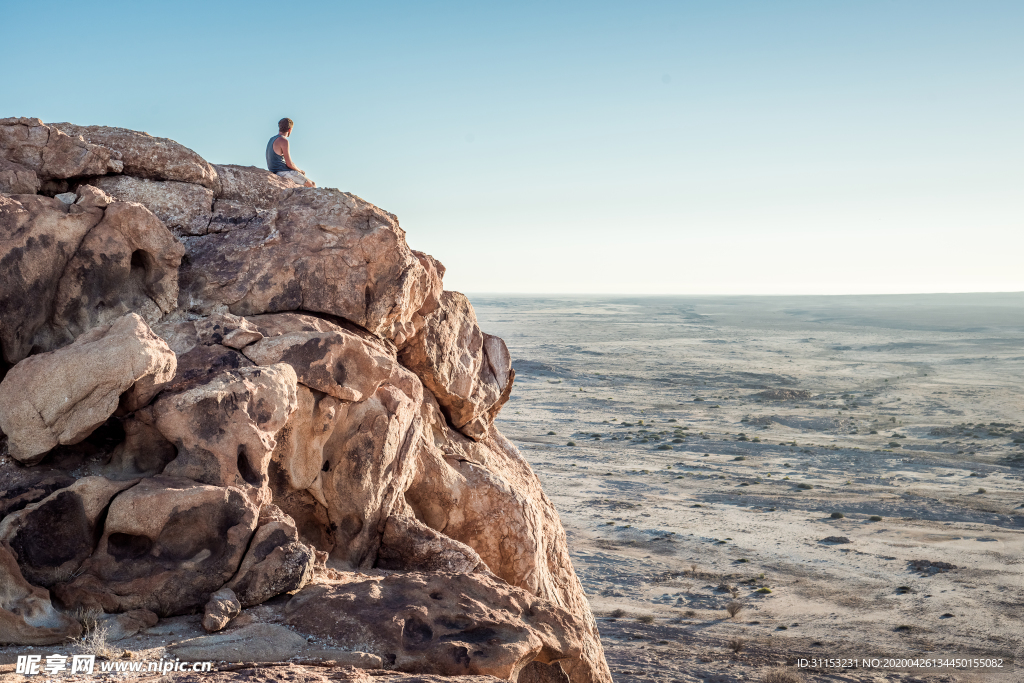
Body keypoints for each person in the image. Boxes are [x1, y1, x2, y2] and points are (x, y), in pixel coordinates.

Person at [267, 118, 316, 187]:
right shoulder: (283, 141)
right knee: (312, 184)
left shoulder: (271, 139)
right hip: (283, 172)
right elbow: (289, 164)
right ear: (289, 129)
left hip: (274, 171)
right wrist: (300, 171)